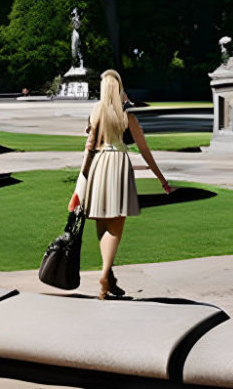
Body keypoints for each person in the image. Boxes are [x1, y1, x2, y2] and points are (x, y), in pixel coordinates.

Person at [70, 69, 173, 300]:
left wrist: (80, 183)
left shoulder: (95, 111)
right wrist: (162, 180)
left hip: (97, 166)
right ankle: (106, 275)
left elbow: (88, 150)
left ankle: (110, 279)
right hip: (118, 165)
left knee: (102, 225)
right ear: (119, 88)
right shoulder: (127, 113)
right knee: (115, 227)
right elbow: (144, 149)